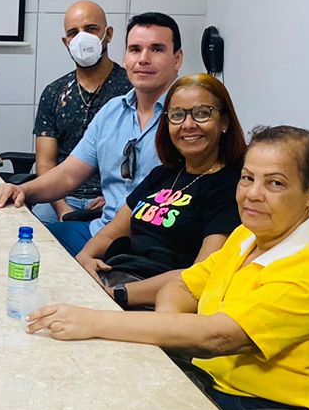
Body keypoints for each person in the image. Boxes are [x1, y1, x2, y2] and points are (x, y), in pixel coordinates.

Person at [26, 126, 309, 410]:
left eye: (275, 183)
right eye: (247, 178)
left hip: (260, 407)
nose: (253, 194)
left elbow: (217, 336)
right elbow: (183, 285)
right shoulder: (248, 236)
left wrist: (96, 321)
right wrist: (171, 332)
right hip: (206, 376)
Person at [0, 12, 184, 256]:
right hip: (101, 230)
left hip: (153, 242)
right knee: (20, 245)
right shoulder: (112, 111)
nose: (143, 59)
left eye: (156, 49)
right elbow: (68, 175)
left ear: (177, 59)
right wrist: (23, 190)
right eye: (134, 49)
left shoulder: (188, 117)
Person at [73, 74, 245, 308]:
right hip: (115, 277)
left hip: (156, 300)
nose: (188, 124)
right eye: (177, 115)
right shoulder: (162, 174)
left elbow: (198, 276)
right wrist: (85, 258)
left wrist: (117, 293)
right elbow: (111, 233)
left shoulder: (231, 187)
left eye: (202, 113)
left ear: (224, 122)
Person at [30, 1, 130, 225]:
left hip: (116, 199)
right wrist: (61, 206)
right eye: (73, 33)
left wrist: (114, 199)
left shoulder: (132, 90)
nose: (82, 38)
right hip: (60, 197)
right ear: (66, 43)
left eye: (91, 29)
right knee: (33, 238)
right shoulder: (54, 92)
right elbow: (45, 163)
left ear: (109, 34)